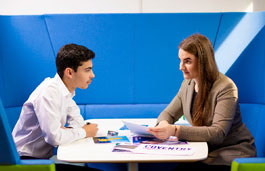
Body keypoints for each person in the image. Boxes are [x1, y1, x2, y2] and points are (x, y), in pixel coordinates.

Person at [147, 34, 256, 171]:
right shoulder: (188, 84)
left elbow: (218, 133)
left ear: (203, 62)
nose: (181, 67)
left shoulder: (226, 87)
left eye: (187, 61)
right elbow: (168, 113)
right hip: (203, 150)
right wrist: (164, 124)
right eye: (180, 60)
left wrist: (174, 130)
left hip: (229, 154)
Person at [12, 44, 99, 170]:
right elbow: (54, 138)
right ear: (69, 72)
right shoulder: (49, 92)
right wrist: (85, 132)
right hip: (24, 163)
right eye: (87, 70)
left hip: (41, 161)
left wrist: (68, 131)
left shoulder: (64, 91)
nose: (92, 75)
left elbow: (79, 122)